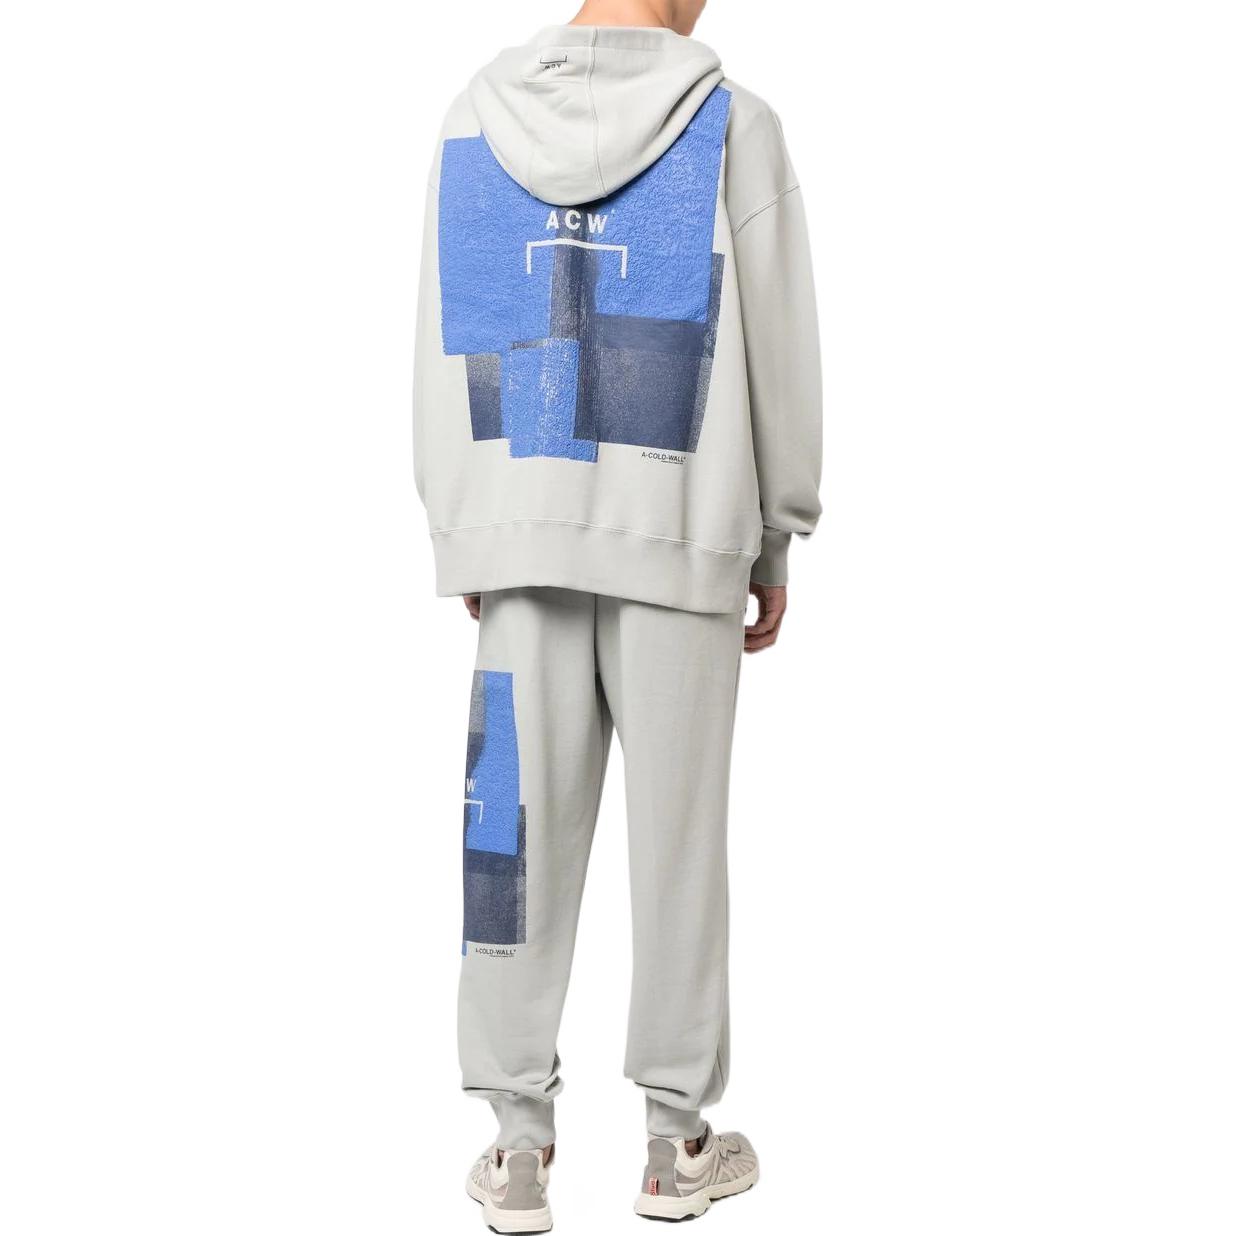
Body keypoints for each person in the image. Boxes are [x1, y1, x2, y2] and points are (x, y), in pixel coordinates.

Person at [413, 0, 821, 1227]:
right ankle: (675, 1144)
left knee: (512, 839)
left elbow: (446, 331)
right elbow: (779, 341)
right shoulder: (733, 125)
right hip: (681, 518)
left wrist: (467, 521)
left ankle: (517, 1150)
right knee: (679, 843)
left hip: (519, 525)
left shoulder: (476, 117)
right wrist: (777, 530)